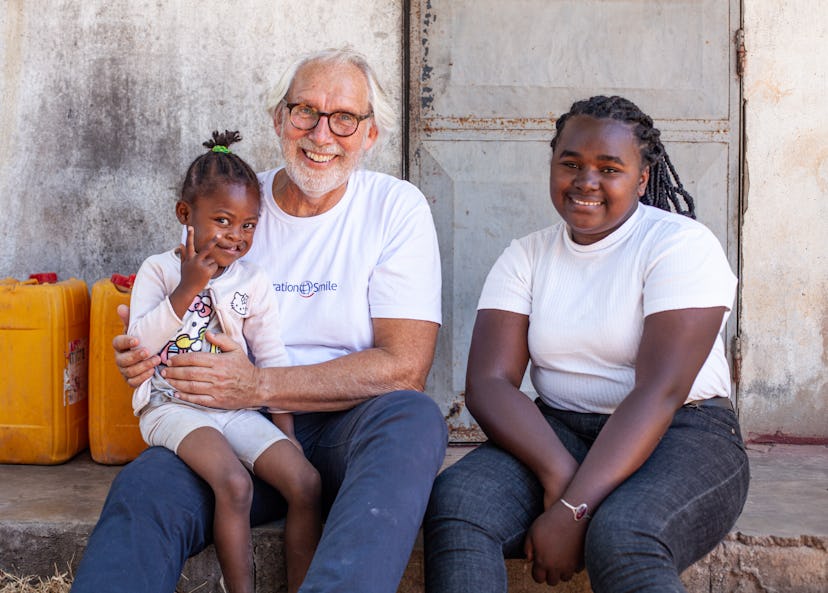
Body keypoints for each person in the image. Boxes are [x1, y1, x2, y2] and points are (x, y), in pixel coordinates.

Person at [70, 48, 447, 593]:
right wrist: (142, 353)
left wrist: (261, 385)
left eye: (344, 118)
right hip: (231, 424)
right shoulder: (233, 204)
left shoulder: (395, 207)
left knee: (413, 418)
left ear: (370, 135)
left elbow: (404, 366)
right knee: (147, 486)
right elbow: (174, 316)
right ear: (278, 119)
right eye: (304, 113)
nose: (322, 134)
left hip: (349, 426)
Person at [423, 95, 750, 593]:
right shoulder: (526, 256)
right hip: (559, 430)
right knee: (458, 504)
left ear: (642, 179)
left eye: (609, 168)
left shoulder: (680, 245)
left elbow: (660, 391)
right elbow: (489, 383)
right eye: (570, 163)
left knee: (623, 535)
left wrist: (575, 509)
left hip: (682, 433)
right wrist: (558, 476)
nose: (585, 182)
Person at [128, 130, 321, 593]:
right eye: (222, 220)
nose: (236, 236)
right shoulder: (159, 271)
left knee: (306, 482)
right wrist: (188, 286)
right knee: (234, 483)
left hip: (234, 407)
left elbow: (271, 357)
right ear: (185, 215)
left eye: (249, 225)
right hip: (171, 405)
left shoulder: (253, 281)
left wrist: (287, 432)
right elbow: (138, 343)